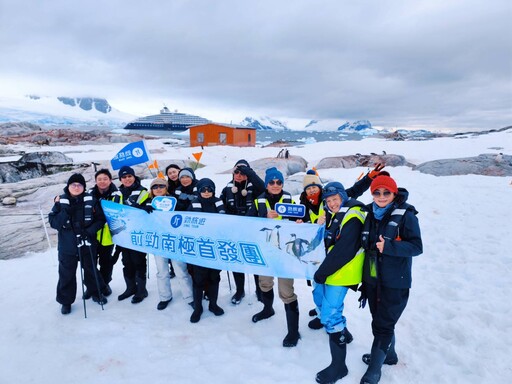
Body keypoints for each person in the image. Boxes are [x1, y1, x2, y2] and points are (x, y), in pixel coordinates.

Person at [302, 164, 385, 329]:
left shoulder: (345, 211)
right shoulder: (305, 205)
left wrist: (368, 178)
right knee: (320, 296)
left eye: (314, 187)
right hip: (321, 263)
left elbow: (353, 191)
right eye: (308, 189)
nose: (311, 191)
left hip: (337, 268)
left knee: (330, 307)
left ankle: (337, 332)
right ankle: (324, 317)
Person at [359, 175, 423, 384]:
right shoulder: (368, 213)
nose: (381, 196)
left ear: (394, 193)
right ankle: (390, 355)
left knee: (383, 325)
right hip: (372, 279)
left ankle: (374, 369)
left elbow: (416, 247)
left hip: (396, 281)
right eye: (377, 192)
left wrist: (390, 247)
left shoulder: (406, 215)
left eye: (386, 192)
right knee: (379, 321)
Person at [312, 182, 366, 384]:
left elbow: (344, 250)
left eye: (335, 199)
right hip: (329, 271)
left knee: (331, 315)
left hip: (341, 273)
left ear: (343, 197)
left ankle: (339, 367)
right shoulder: (336, 214)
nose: (332, 203)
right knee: (320, 301)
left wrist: (322, 273)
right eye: (328, 201)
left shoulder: (353, 215)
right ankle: (344, 333)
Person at [247, 167, 301, 347]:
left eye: (279, 182)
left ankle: (293, 332)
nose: (276, 185)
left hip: (285, 252)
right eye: (272, 182)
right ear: (266, 184)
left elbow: (298, 221)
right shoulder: (258, 201)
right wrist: (264, 216)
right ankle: (268, 309)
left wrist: (299, 222)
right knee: (264, 283)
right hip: (265, 252)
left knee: (286, 291)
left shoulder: (289, 200)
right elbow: (247, 223)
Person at [49, 173, 107, 315]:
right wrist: (65, 213)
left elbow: (101, 219)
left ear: (83, 187)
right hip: (67, 246)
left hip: (87, 242)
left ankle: (96, 292)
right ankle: (66, 301)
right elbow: (54, 223)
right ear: (68, 186)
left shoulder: (92, 200)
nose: (76, 187)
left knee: (91, 269)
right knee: (66, 274)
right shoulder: (60, 201)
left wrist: (90, 231)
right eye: (73, 185)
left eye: (79, 185)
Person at [142, 177, 194, 310]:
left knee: (180, 270)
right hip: (158, 242)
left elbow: (185, 213)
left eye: (161, 186)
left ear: (166, 188)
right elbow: (137, 216)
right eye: (155, 187)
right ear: (151, 190)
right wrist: (144, 208)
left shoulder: (175, 201)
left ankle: (189, 297)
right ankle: (165, 296)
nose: (158, 189)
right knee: (162, 271)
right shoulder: (148, 202)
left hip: (174, 241)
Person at [220, 159, 265, 305]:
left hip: (252, 230)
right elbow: (220, 205)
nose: (239, 175)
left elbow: (263, 187)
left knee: (255, 259)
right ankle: (240, 290)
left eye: (242, 172)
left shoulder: (256, 187)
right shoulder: (227, 188)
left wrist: (249, 172)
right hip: (234, 230)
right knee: (236, 261)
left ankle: (259, 290)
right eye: (236, 172)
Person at [188, 178, 226, 323]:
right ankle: (198, 308)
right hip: (199, 247)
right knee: (198, 279)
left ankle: (213, 304)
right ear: (199, 190)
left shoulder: (219, 202)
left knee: (214, 277)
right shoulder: (193, 203)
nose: (206, 192)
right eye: (203, 189)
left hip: (215, 247)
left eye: (209, 189)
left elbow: (226, 222)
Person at [86, 168, 122, 299]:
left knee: (106, 263)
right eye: (99, 179)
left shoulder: (117, 195)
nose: (102, 182)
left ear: (110, 180)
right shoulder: (89, 194)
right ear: (95, 181)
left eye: (105, 179)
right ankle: (91, 287)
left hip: (108, 235)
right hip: (91, 235)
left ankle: (105, 284)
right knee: (90, 262)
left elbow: (117, 214)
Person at [116, 165, 150, 304]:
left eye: (129, 176)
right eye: (124, 177)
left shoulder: (142, 191)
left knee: (138, 260)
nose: (127, 179)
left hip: (137, 232)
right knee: (126, 261)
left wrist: (143, 207)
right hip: (123, 232)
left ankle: (142, 290)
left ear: (134, 177)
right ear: (120, 179)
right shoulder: (117, 192)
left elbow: (148, 207)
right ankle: (130, 287)